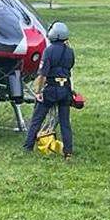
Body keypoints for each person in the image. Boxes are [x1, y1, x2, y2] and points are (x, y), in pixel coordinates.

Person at [23, 22, 76, 158]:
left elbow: (43, 75)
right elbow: (69, 70)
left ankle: (28, 147)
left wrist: (39, 92)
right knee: (65, 122)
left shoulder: (49, 50)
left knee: (37, 119)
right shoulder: (70, 51)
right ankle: (68, 152)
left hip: (51, 90)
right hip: (65, 90)